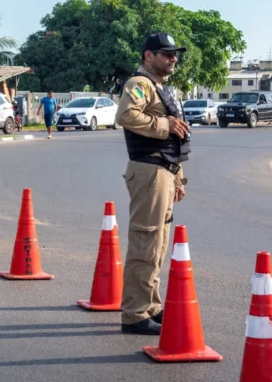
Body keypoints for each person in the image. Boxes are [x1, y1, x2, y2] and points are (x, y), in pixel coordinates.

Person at [116, 32, 191, 336]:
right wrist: (165, 125)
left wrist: (178, 177)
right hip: (148, 171)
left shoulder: (159, 88)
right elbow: (125, 115)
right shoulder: (140, 84)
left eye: (175, 54)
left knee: (158, 244)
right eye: (167, 53)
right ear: (149, 55)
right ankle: (134, 313)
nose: (173, 58)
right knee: (145, 242)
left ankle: (151, 306)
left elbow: (176, 139)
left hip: (163, 173)